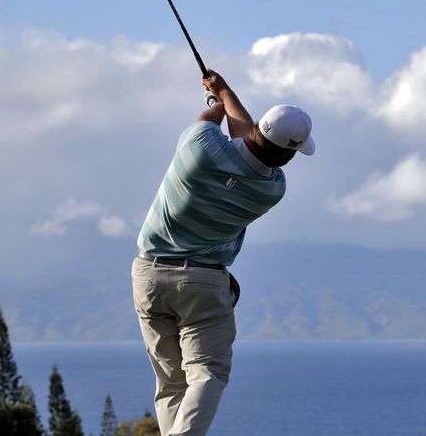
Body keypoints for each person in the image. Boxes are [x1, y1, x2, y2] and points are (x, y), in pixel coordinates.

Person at [131, 69, 315, 436]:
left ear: (260, 129)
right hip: (203, 282)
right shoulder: (271, 189)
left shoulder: (198, 146)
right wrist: (224, 94)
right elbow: (248, 141)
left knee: (171, 381)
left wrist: (217, 99)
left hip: (148, 273)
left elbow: (220, 125)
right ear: (291, 155)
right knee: (207, 373)